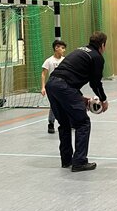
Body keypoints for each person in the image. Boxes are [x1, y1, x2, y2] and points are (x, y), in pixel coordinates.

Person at [45, 31, 109, 172]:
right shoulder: (96, 57)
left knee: (65, 124)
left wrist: (79, 97)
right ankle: (79, 162)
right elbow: (95, 83)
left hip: (52, 85)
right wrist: (103, 100)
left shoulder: (79, 50)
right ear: (103, 45)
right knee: (83, 123)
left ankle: (66, 160)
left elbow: (68, 75)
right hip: (64, 87)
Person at [41, 40, 67, 134]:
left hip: (63, 86)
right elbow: (44, 74)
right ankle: (51, 123)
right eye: (62, 48)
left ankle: (68, 122)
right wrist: (43, 87)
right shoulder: (49, 61)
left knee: (66, 104)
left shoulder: (65, 60)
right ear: (56, 48)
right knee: (54, 105)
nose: (64, 50)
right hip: (53, 87)